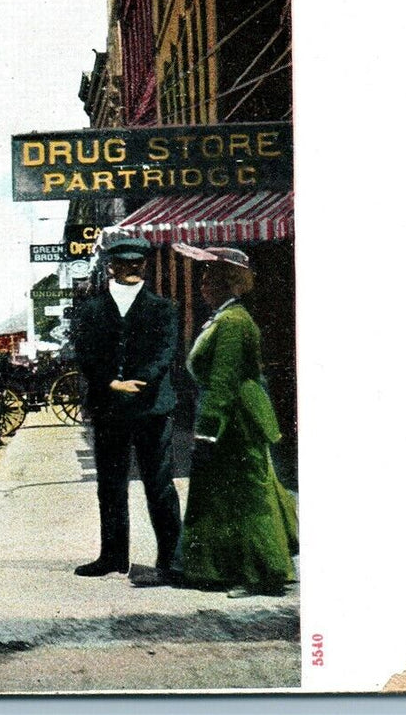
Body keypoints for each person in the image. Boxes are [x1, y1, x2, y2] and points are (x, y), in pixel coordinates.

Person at [174, 245, 299, 598]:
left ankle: (265, 574)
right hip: (236, 417)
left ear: (227, 282)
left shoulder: (232, 322)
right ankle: (228, 568)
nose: (202, 282)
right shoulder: (226, 317)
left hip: (237, 421)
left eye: (209, 276)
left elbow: (224, 382)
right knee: (239, 495)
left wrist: (208, 431)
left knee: (248, 497)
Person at [70, 237, 183, 579]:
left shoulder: (164, 309)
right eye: (125, 263)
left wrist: (139, 382)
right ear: (111, 267)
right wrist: (110, 383)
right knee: (111, 484)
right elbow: (85, 354)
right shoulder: (90, 310)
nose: (133, 268)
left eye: (138, 263)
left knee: (159, 483)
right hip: (108, 408)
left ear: (144, 266)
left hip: (152, 407)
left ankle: (172, 560)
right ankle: (113, 557)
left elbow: (164, 354)